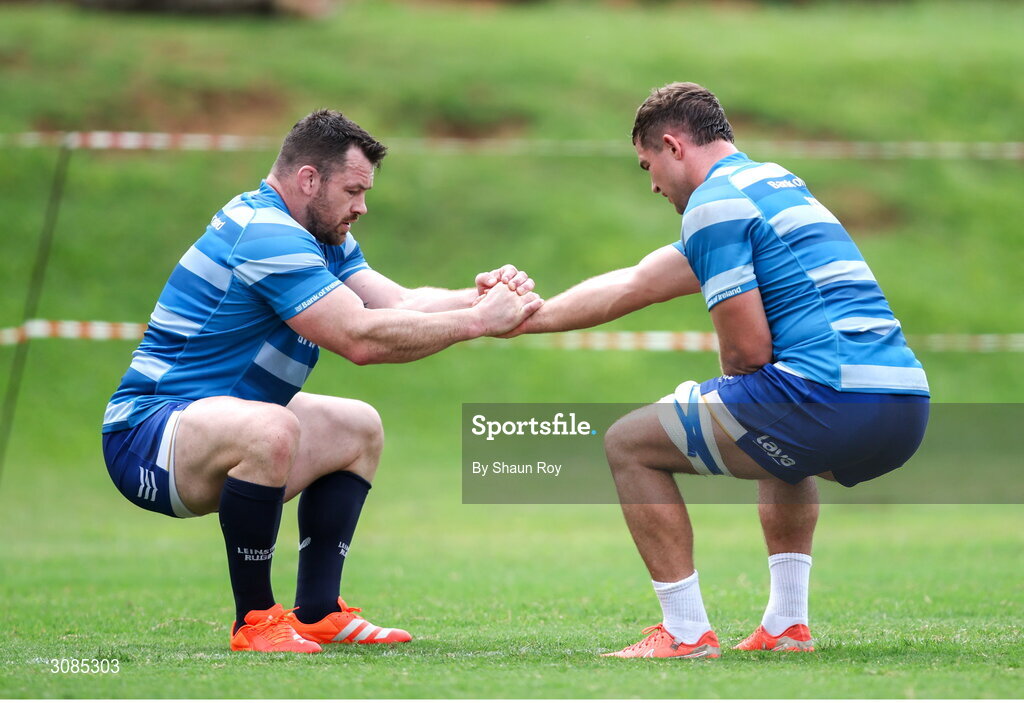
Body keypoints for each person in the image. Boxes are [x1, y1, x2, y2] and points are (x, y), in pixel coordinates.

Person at [506, 82, 929, 658]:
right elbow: (635, 283)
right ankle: (786, 625)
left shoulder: (713, 205)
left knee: (629, 444)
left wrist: (734, 386)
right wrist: (517, 317)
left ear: (672, 145)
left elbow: (746, 354)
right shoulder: (772, 183)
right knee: (778, 443)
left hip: (830, 399)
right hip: (905, 404)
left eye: (647, 166)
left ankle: (684, 632)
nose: (653, 185)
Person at [101, 109, 543, 652]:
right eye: (353, 191)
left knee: (357, 426)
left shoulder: (320, 236)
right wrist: (477, 322)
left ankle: (317, 612)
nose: (362, 207)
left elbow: (398, 302)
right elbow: (359, 337)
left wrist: (479, 296)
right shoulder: (266, 234)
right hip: (146, 436)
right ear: (309, 179)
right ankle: (254, 621)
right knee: (271, 427)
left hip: (212, 425)